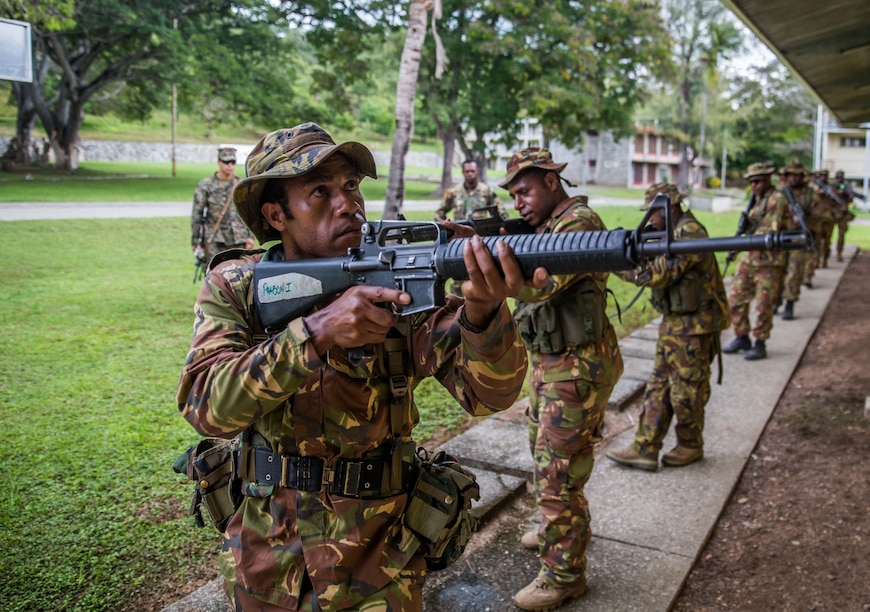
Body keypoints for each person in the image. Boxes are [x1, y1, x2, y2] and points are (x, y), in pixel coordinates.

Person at [176, 123, 544, 611]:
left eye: (350, 185)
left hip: (378, 561)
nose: (347, 203)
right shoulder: (238, 286)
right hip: (265, 558)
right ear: (275, 214)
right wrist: (317, 333)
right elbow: (205, 405)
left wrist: (483, 312)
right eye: (320, 192)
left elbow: (489, 395)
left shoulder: (397, 279)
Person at [499, 147, 623, 611]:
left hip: (577, 368)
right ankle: (558, 529)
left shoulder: (579, 224)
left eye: (525, 190)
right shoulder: (546, 227)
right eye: (513, 195)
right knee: (545, 457)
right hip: (554, 365)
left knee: (558, 474)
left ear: (552, 181)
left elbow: (541, 285)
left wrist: (491, 264)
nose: (518, 202)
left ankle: (564, 574)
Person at [605, 183, 729, 471]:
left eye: (653, 214)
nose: (649, 221)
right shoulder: (669, 232)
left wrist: (614, 263)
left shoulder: (689, 233)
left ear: (670, 208)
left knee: (686, 391)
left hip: (695, 328)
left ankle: (690, 444)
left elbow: (659, 274)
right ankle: (645, 447)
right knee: (658, 387)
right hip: (674, 324)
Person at [721, 162, 792, 361]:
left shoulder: (776, 199)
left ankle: (760, 343)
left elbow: (769, 230)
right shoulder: (756, 200)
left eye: (758, 181)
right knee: (735, 298)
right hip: (750, 258)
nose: (754, 186)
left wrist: (741, 243)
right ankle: (742, 336)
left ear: (768, 179)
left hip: (769, 262)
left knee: (763, 304)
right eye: (751, 182)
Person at [435, 158, 508, 296]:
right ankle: (456, 309)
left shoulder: (485, 191)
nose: (470, 174)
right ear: (463, 172)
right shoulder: (453, 192)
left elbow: (502, 213)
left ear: (477, 172)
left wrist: (492, 232)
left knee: (482, 277)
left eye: (472, 171)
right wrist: (447, 229)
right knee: (458, 279)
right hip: (457, 244)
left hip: (479, 241)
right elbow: (439, 213)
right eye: (467, 171)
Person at [190, 146, 254, 269]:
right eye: (226, 162)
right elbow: (196, 215)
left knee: (239, 276)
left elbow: (250, 212)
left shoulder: (242, 185)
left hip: (238, 238)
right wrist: (195, 241)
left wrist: (250, 236)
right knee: (213, 277)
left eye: (233, 162)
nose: (230, 165)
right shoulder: (206, 185)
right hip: (215, 239)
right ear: (218, 162)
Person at [777, 160, 817, 321]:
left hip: (798, 238)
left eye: (797, 175)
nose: (794, 178)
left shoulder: (810, 194)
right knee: (778, 272)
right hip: (780, 238)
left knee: (794, 272)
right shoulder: (780, 193)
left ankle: (790, 303)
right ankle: (777, 299)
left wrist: (804, 217)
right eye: (790, 175)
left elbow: (820, 215)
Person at [808, 169, 838, 269]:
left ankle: (824, 259)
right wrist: (818, 193)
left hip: (829, 218)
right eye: (821, 176)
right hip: (817, 219)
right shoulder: (813, 187)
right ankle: (816, 261)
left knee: (827, 241)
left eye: (825, 176)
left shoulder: (831, 187)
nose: (823, 178)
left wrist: (833, 196)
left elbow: (836, 202)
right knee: (816, 241)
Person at [831, 170, 856, 262]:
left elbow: (850, 200)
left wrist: (849, 195)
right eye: (838, 178)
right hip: (832, 214)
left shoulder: (846, 187)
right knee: (827, 236)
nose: (840, 179)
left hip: (842, 214)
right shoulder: (831, 187)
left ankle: (839, 253)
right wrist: (836, 193)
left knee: (841, 235)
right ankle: (824, 254)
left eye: (841, 178)